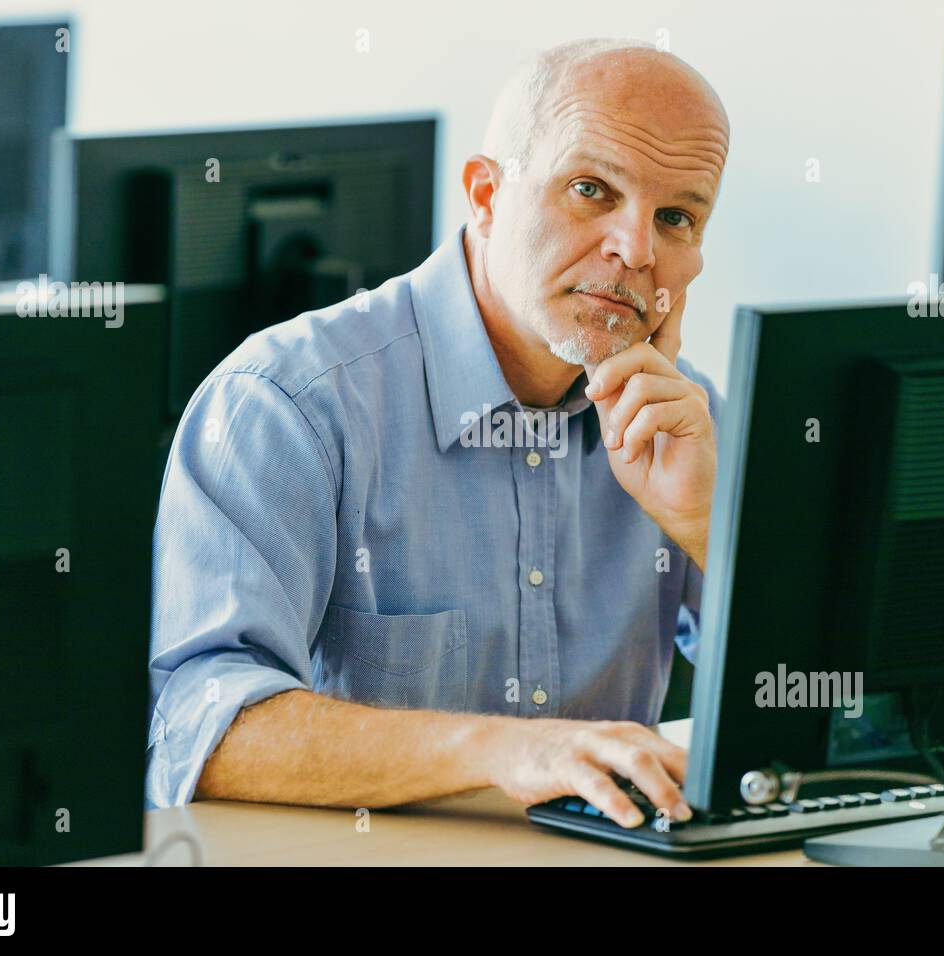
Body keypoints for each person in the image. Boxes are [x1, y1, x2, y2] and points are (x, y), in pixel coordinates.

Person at [147, 36, 730, 829]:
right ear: (487, 197)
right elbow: (197, 732)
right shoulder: (287, 403)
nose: (637, 250)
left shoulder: (683, 421)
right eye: (592, 189)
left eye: (676, 217)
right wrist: (505, 750)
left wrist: (706, 528)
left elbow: (842, 716)